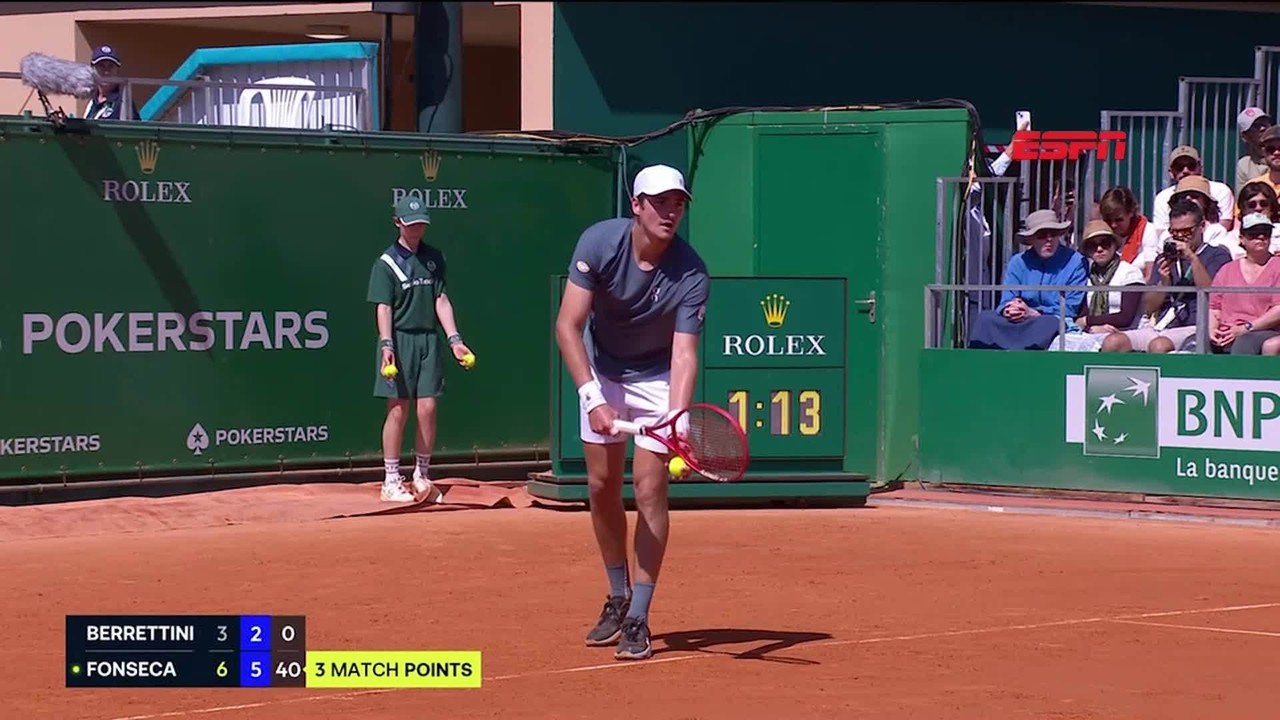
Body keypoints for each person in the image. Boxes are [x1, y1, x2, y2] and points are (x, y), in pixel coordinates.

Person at [554, 164, 710, 662]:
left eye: (678, 203)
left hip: (657, 379)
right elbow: (567, 325)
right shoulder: (599, 243)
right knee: (601, 486)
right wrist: (592, 398)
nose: (670, 211)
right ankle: (617, 595)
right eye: (660, 202)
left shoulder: (692, 272)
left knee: (647, 488)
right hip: (602, 370)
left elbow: (684, 354)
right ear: (636, 206)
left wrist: (677, 420)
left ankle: (639, 615)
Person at [367, 196, 473, 503]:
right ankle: (390, 480)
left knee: (427, 408)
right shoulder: (385, 263)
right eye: (411, 225)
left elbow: (441, 299)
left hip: (429, 341)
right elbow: (383, 308)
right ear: (398, 223)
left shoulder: (434, 257)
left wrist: (455, 340)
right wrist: (386, 344)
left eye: (421, 225)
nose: (416, 230)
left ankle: (422, 476)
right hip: (398, 341)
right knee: (398, 409)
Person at [1101, 199, 1231, 354]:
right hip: (1164, 325)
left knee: (1159, 346)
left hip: (1197, 325)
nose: (1180, 237)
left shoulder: (1217, 255)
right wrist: (1164, 281)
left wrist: (1192, 258)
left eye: (1186, 231)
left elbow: (1213, 294)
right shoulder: (1165, 258)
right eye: (1175, 232)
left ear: (1201, 227)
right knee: (1112, 342)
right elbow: (1149, 307)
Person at [967, 209, 1087, 351]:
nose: (1049, 239)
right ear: (1031, 239)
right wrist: (1009, 309)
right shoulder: (1018, 261)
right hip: (1019, 319)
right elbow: (1007, 298)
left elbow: (1069, 309)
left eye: (1053, 234)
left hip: (1050, 319)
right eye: (1042, 235)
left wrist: (1034, 312)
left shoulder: (1076, 262)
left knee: (1049, 324)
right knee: (985, 319)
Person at [1207, 213, 1280, 355]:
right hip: (1227, 330)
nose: (1260, 237)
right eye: (1253, 234)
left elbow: (1278, 310)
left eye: (1265, 233)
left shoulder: (1277, 266)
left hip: (1264, 330)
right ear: (1242, 238)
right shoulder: (1227, 269)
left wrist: (1246, 328)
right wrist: (1212, 330)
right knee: (1194, 343)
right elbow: (1214, 307)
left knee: (1245, 343)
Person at [84, 45, 139, 121]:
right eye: (101, 66)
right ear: (93, 69)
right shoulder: (92, 102)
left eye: (111, 66)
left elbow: (134, 130)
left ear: (117, 70)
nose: (106, 71)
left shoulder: (123, 101)